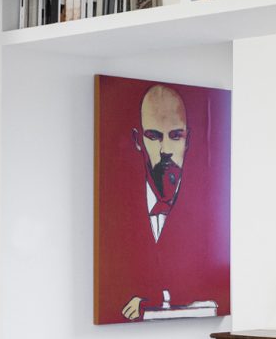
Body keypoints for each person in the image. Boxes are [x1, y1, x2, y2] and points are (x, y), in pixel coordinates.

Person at [94, 76, 231, 324]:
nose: (165, 150)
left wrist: (154, 301)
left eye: (175, 136)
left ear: (188, 140)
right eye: (154, 136)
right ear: (138, 140)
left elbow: (217, 292)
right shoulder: (112, 213)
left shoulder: (214, 211)